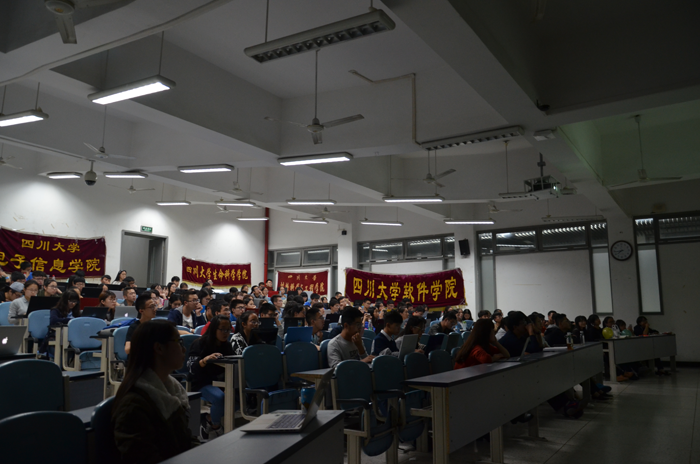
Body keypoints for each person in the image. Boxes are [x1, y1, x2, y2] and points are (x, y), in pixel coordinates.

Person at [112, 320, 198, 463]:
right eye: (179, 342)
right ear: (159, 348)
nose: (184, 349)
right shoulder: (133, 406)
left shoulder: (171, 390)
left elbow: (185, 441)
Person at [187, 315, 234, 440]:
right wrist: (205, 360)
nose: (226, 333)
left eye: (228, 330)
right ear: (214, 329)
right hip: (201, 382)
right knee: (220, 398)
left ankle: (208, 419)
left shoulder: (227, 345)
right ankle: (215, 425)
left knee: (238, 397)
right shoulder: (199, 343)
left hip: (221, 381)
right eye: (222, 329)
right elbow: (192, 368)